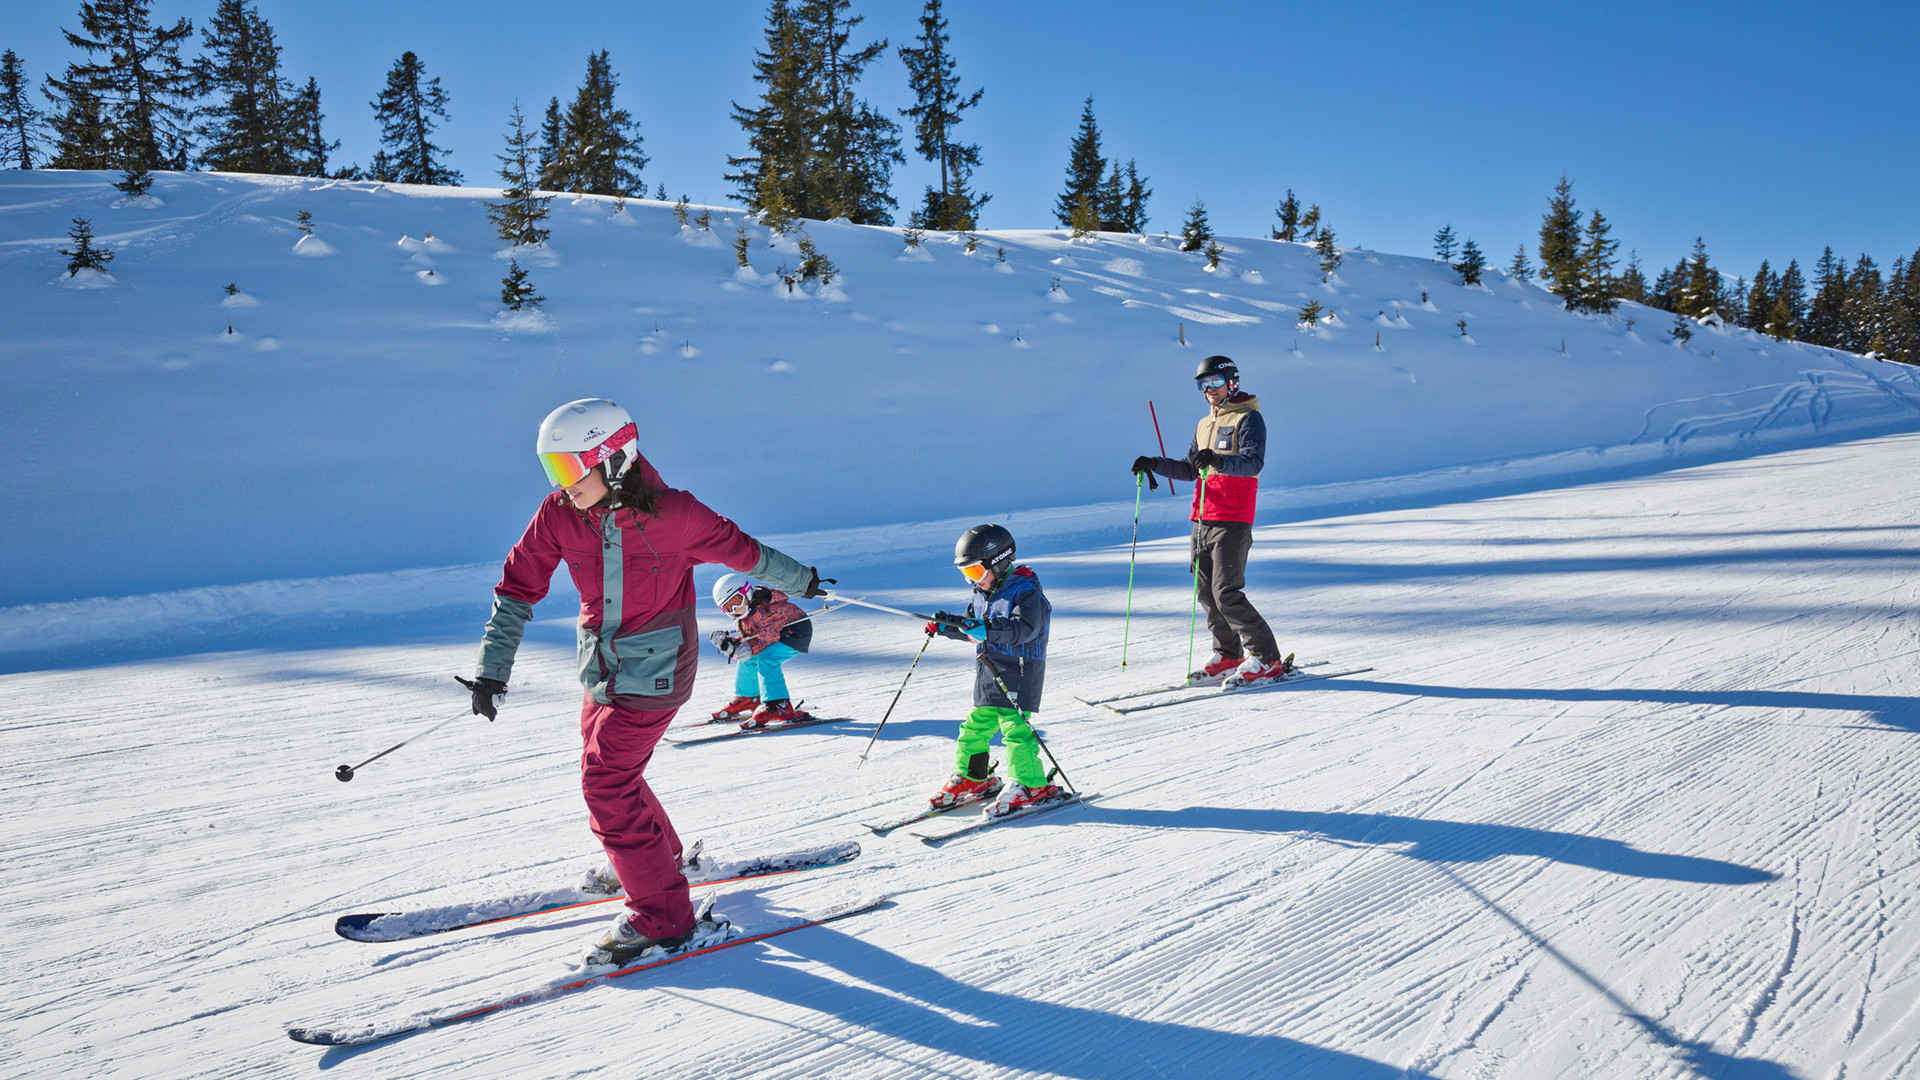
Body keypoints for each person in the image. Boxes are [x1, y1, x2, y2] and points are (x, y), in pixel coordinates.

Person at [457, 398, 832, 967]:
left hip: (658, 672)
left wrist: (802, 580)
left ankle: (665, 918)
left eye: (569, 468)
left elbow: (746, 552)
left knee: (605, 783)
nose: (561, 485)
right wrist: (492, 669)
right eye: (551, 469)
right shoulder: (560, 513)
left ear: (614, 460)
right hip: (601, 669)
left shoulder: (676, 515)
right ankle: (661, 862)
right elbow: (516, 588)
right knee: (611, 770)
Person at [1131, 355, 1292, 688]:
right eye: (1203, 385)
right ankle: (1228, 654)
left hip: (1233, 517)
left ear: (1231, 382)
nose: (1209, 390)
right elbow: (1191, 468)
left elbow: (1252, 463)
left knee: (1226, 593)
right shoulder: (1204, 424)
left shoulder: (1249, 418)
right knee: (1205, 592)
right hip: (1203, 518)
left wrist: (1218, 459)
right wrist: (1155, 463)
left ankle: (1267, 658)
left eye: (1215, 382)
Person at [925, 524, 1061, 817]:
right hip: (989, 667)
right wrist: (948, 626)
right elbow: (972, 628)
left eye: (975, 571)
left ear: (998, 563)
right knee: (974, 726)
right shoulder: (982, 592)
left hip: (1020, 668)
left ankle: (1031, 784)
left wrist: (985, 628)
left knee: (1015, 729)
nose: (972, 580)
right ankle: (973, 776)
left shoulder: (1027, 592)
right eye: (966, 574)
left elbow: (1023, 629)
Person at [705, 572, 814, 727]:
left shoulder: (766, 608)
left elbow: (767, 638)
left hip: (795, 633)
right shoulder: (748, 612)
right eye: (728, 608)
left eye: (737, 601)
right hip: (777, 635)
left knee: (767, 658)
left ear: (747, 592)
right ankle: (749, 697)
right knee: (749, 659)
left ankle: (778, 705)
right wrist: (732, 645)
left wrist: (745, 649)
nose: (736, 609)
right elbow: (753, 637)